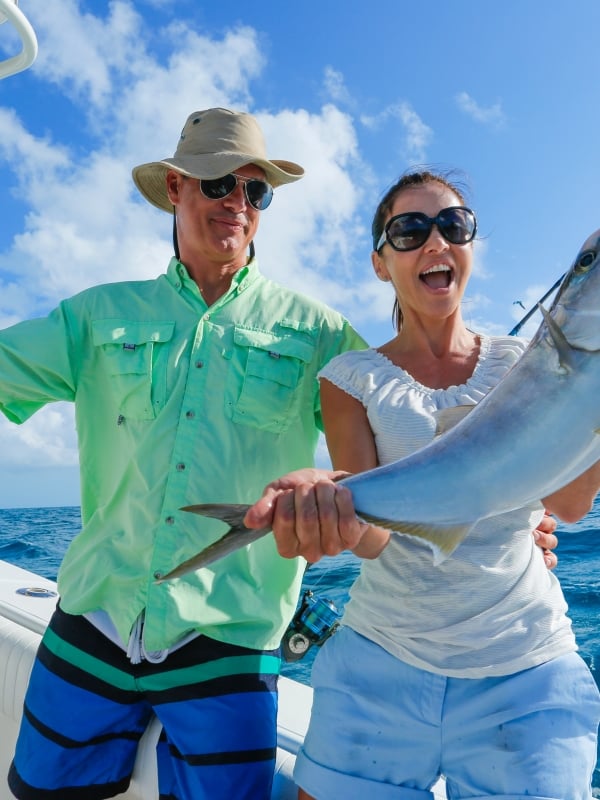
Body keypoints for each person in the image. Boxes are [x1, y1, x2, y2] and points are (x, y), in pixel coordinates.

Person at [2, 107, 369, 800]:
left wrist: (505, 514)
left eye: (254, 191)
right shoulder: (94, 315)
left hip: (229, 645)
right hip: (92, 620)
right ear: (174, 188)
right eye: (217, 184)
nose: (237, 204)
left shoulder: (320, 334)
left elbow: (401, 445)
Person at [246, 170, 600, 800]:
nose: (435, 241)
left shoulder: (527, 362)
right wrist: (325, 495)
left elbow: (569, 503)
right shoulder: (350, 376)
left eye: (453, 225)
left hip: (525, 665)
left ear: (471, 245)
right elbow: (374, 537)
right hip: (380, 659)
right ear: (382, 263)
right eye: (409, 230)